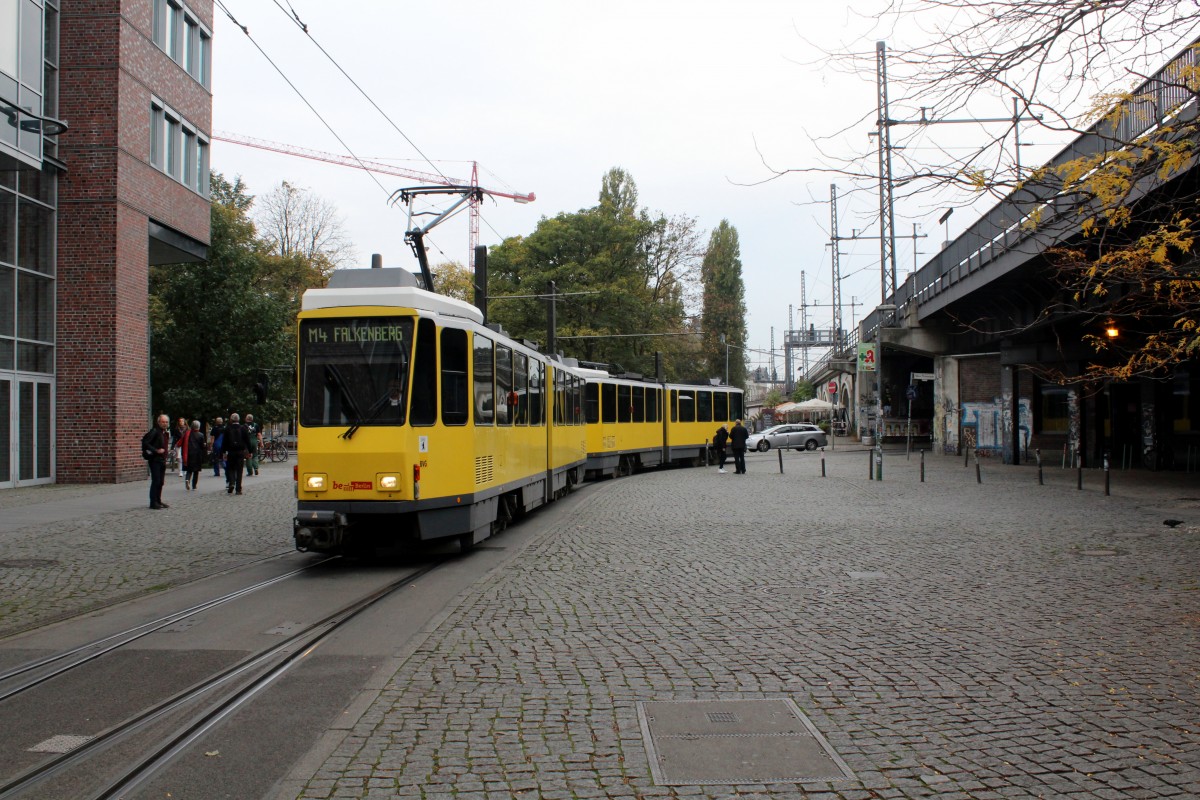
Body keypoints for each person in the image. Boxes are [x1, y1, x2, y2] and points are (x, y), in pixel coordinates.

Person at [141, 414, 171, 509]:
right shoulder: (154, 431)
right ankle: (153, 502)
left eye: (166, 422)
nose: (165, 424)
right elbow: (145, 442)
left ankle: (158, 500)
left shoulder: (164, 433)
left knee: (161, 482)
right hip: (155, 460)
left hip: (162, 460)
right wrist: (156, 450)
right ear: (158, 422)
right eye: (163, 422)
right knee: (156, 481)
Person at [221, 412, 250, 495]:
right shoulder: (243, 428)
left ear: (231, 420)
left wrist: (223, 452)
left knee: (230, 469)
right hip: (240, 452)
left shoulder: (227, 429)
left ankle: (231, 482)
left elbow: (224, 442)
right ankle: (238, 489)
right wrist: (250, 451)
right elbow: (247, 441)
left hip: (231, 452)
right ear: (239, 419)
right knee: (239, 470)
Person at [182, 419, 206, 491]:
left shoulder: (188, 434)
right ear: (198, 427)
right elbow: (202, 446)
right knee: (196, 471)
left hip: (189, 453)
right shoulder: (201, 435)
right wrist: (204, 445)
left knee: (189, 469)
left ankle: (187, 479)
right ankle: (194, 486)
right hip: (197, 455)